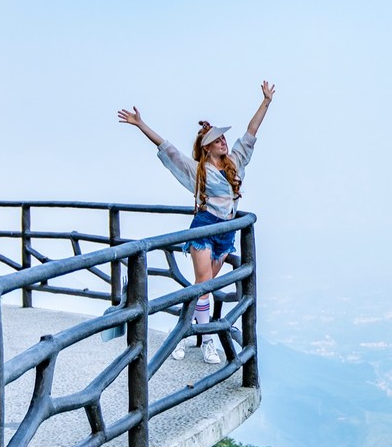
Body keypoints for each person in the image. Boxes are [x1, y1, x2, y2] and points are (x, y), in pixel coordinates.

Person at [118, 81, 275, 362]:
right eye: (217, 140)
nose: (224, 141)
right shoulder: (197, 170)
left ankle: (181, 332)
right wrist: (141, 125)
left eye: (223, 138)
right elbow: (168, 149)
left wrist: (265, 102)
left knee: (204, 287)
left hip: (225, 232)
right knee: (203, 282)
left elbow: (251, 132)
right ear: (206, 147)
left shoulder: (236, 161)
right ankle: (208, 342)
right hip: (204, 227)